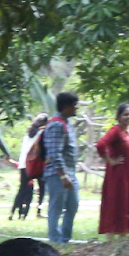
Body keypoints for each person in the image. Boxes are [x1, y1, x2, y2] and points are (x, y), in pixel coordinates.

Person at [95, 102, 129, 235]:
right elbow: (100, 145)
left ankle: (126, 233)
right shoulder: (115, 131)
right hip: (119, 174)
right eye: (125, 114)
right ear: (119, 116)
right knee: (119, 201)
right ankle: (113, 235)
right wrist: (110, 161)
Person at [43, 93, 81, 244]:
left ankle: (65, 238)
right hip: (57, 173)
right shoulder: (56, 125)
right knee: (56, 207)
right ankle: (55, 239)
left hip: (70, 171)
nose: (76, 108)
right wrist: (63, 176)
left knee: (73, 204)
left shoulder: (67, 123)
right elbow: (54, 152)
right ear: (66, 107)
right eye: (74, 105)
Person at [10, 113, 49, 221]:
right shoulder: (43, 132)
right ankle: (39, 211)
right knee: (42, 188)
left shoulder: (28, 134)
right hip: (37, 165)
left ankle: (12, 212)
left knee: (22, 189)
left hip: (23, 164)